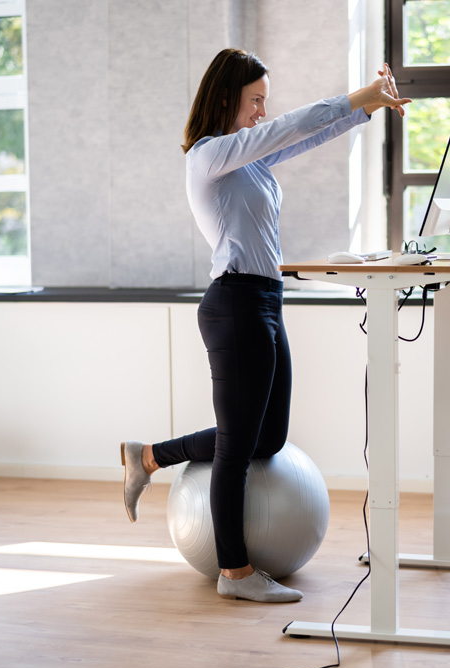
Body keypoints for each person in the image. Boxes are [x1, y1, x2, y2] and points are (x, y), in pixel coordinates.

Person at [120, 48, 411, 603]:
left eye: (265, 103)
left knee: (266, 439)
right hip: (234, 304)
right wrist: (358, 95)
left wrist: (363, 112)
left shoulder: (246, 161)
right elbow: (286, 128)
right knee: (236, 448)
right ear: (227, 97)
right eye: (255, 100)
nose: (261, 112)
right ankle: (235, 572)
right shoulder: (209, 156)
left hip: (267, 302)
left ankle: (148, 456)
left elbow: (298, 139)